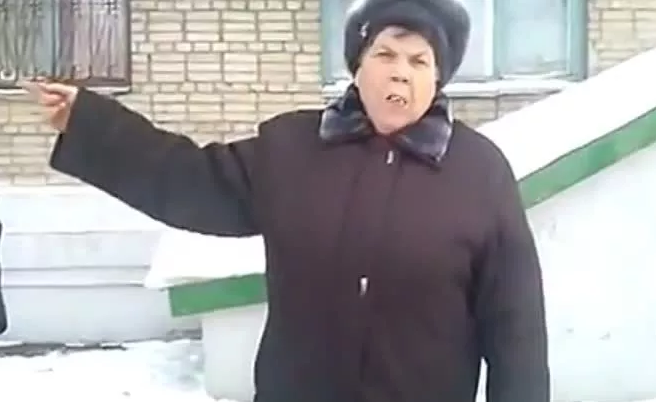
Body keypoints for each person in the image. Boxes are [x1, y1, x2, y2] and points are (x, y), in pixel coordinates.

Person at [23, 0, 550, 400]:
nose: (400, 72)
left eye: (419, 60)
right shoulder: (292, 149)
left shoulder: (479, 172)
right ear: (357, 67)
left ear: (437, 79)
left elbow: (516, 328)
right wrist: (91, 124)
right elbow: (189, 178)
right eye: (385, 54)